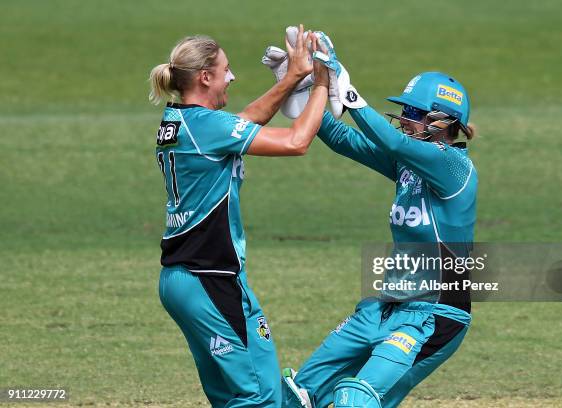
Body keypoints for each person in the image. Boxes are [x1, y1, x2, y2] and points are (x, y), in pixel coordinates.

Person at [149, 25, 328, 407]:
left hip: (206, 278)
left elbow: (243, 122)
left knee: (263, 393)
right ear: (205, 77)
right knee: (250, 399)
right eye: (226, 69)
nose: (232, 76)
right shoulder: (207, 127)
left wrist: (294, 77)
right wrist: (322, 85)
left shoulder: (181, 120)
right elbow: (296, 142)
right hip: (206, 278)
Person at [282, 59, 478, 406]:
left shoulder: (453, 166)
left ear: (442, 122)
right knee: (297, 396)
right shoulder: (409, 163)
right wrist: (302, 89)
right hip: (383, 307)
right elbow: (344, 139)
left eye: (413, 113)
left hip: (434, 316)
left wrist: (352, 96)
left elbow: (395, 143)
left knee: (355, 400)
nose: (403, 119)